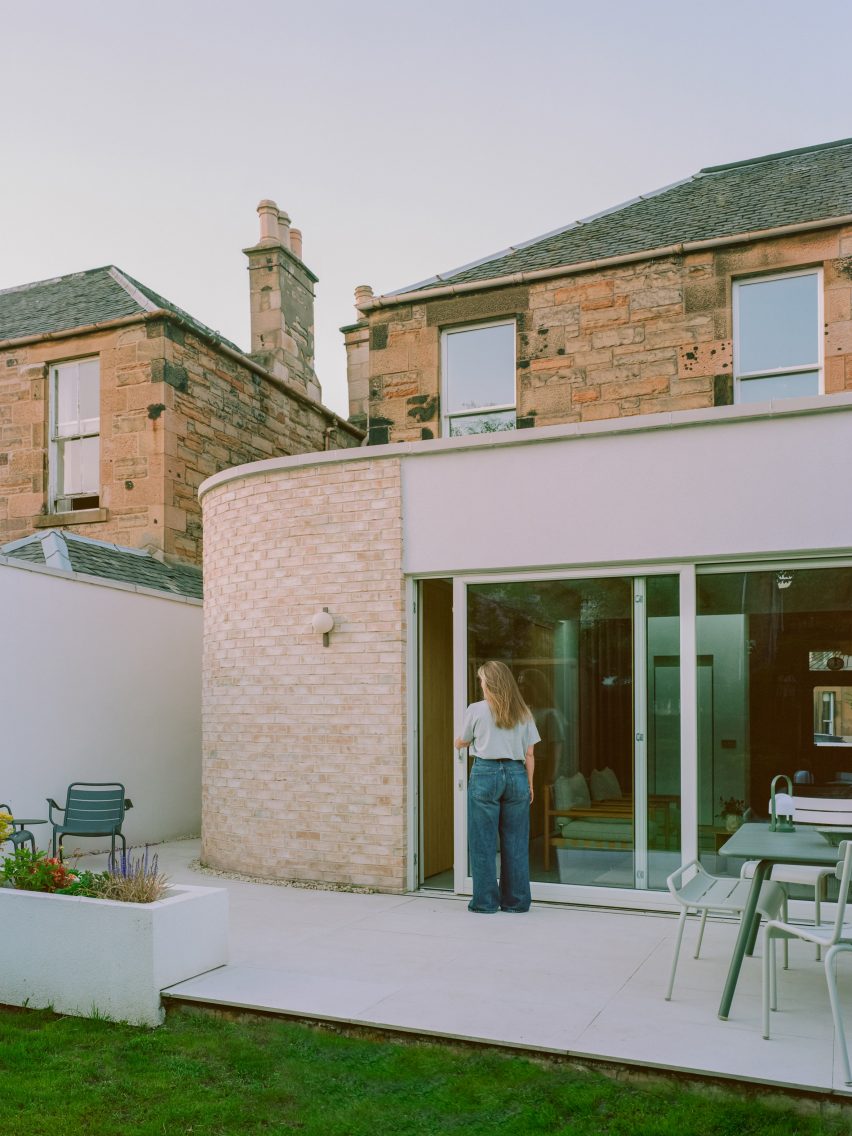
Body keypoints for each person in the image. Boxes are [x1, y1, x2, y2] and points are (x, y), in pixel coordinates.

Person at [454, 660, 540, 914]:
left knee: (483, 842)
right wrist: (530, 785)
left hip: (486, 773)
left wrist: (458, 743)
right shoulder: (523, 711)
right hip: (516, 775)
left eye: (481, 680)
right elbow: (530, 752)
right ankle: (516, 902)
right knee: (515, 842)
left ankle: (486, 902)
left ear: (488, 683)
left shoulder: (476, 709)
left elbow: (463, 740)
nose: (480, 684)